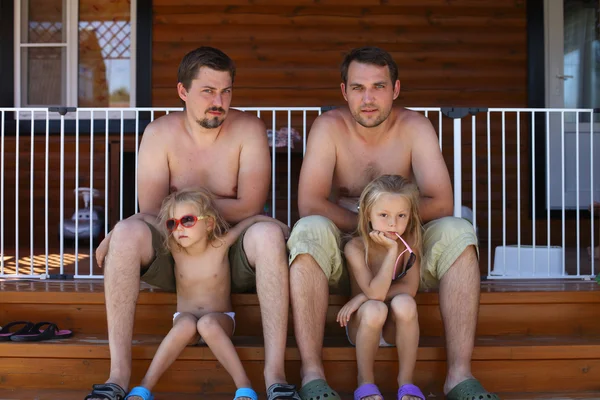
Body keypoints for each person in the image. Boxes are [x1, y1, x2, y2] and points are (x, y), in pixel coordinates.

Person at [287, 46, 500, 400]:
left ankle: (459, 376)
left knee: (459, 229)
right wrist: (371, 224)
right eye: (357, 88)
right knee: (308, 228)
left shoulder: (415, 126)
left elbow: (442, 201)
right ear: (344, 91)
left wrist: (392, 227)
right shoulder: (328, 127)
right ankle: (312, 376)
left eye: (378, 86)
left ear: (396, 89)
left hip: (405, 248)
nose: (368, 98)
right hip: (347, 250)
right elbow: (309, 202)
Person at [86, 47, 299, 400]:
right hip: (177, 252)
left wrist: (187, 206)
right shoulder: (159, 133)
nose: (219, 100)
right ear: (183, 91)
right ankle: (118, 375)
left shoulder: (249, 129)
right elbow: (154, 210)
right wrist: (122, 227)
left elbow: (249, 205)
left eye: (226, 91)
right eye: (208, 91)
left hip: (230, 253)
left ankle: (275, 375)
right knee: (126, 234)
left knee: (266, 233)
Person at [125, 188, 289, 400]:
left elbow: (249, 222)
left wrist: (278, 225)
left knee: (207, 324)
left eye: (188, 220)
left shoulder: (220, 245)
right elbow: (144, 217)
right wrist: (108, 239)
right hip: (185, 319)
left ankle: (244, 386)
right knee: (186, 324)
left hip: (220, 320)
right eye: (172, 223)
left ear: (209, 223)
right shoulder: (176, 248)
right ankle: (145, 387)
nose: (179, 228)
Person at [336, 175, 425, 400]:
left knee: (405, 302)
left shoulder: (411, 244)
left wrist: (359, 298)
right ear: (368, 214)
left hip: (395, 327)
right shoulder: (355, 247)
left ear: (410, 216)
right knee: (376, 308)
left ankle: (406, 383)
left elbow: (410, 288)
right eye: (383, 215)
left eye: (401, 216)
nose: (393, 224)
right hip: (364, 324)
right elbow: (375, 294)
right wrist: (391, 253)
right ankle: (365, 383)